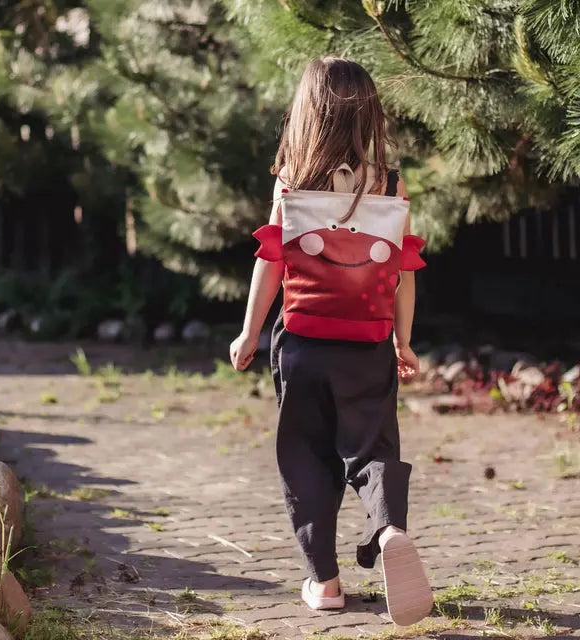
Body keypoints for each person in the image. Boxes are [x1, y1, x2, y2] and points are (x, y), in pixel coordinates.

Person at [229, 57, 433, 627]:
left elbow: (269, 263)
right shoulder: (390, 182)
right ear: (368, 111)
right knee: (372, 450)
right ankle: (388, 527)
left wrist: (249, 332)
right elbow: (402, 270)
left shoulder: (292, 180)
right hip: (367, 344)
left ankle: (326, 583)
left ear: (309, 112)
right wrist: (404, 340)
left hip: (302, 345)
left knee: (308, 458)